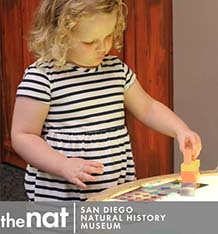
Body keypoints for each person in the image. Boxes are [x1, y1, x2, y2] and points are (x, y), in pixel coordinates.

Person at [11, 0, 202, 201]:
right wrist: (63, 164)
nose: (102, 47)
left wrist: (180, 130)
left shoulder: (116, 70)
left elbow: (148, 107)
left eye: (108, 36)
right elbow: (23, 135)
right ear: (59, 36)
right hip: (63, 194)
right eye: (89, 42)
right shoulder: (43, 77)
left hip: (112, 186)